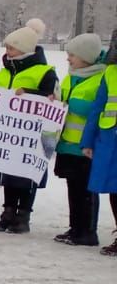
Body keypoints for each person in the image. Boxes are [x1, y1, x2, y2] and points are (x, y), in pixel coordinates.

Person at [0, 19, 56, 235]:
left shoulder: (45, 72)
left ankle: (23, 215)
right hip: (7, 133)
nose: (7, 51)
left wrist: (29, 94)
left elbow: (52, 98)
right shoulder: (4, 71)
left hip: (31, 135)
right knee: (8, 171)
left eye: (11, 47)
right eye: (6, 47)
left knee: (27, 174)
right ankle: (8, 212)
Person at [53, 33, 106, 246]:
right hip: (67, 142)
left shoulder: (100, 78)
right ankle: (75, 228)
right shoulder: (71, 75)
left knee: (86, 190)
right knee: (73, 187)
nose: (68, 59)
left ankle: (88, 231)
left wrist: (70, 105)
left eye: (72, 54)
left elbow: (97, 108)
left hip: (86, 146)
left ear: (86, 56)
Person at [80, 43, 117, 255]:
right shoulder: (110, 72)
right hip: (109, 139)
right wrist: (87, 141)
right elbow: (98, 106)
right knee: (114, 189)